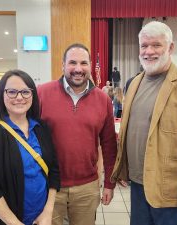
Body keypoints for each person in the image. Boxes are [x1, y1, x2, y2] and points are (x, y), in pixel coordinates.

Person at [111, 21, 177, 225]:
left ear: (171, 48)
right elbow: (131, 131)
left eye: (156, 45)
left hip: (172, 194)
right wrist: (123, 168)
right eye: (144, 46)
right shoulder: (134, 84)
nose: (149, 51)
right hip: (139, 188)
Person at [38, 43, 117, 225]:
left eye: (83, 63)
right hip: (48, 186)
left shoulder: (103, 99)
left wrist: (109, 184)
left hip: (87, 187)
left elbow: (109, 146)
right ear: (63, 65)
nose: (78, 69)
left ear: (90, 65)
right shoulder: (42, 93)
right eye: (72, 63)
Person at [0, 69, 60, 225]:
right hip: (3, 221)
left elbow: (53, 170)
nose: (19, 97)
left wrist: (48, 212)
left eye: (25, 92)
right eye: (12, 92)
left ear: (33, 95)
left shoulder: (41, 128)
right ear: (2, 95)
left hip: (40, 218)